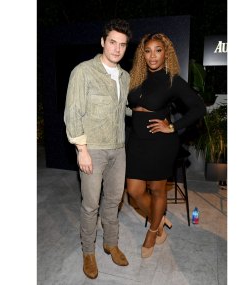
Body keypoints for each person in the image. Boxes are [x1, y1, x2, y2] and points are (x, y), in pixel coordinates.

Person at [126, 32, 206, 258]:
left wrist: (173, 126)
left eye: (158, 50)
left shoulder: (172, 80)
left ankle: (153, 232)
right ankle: (158, 217)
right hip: (137, 141)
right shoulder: (136, 77)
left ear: (166, 53)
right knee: (134, 191)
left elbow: (198, 107)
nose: (153, 56)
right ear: (143, 54)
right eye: (148, 50)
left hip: (161, 144)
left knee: (157, 189)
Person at [64, 19, 132, 279]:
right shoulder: (83, 71)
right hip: (93, 149)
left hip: (119, 148)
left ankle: (111, 243)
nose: (117, 49)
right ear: (103, 42)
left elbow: (122, 109)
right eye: (112, 42)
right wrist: (82, 150)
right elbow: (73, 112)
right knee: (91, 205)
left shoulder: (124, 77)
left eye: (122, 45)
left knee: (114, 201)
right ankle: (88, 252)